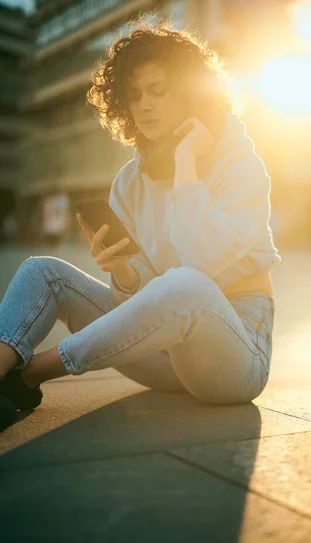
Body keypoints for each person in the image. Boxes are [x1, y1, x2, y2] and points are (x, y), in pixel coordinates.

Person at [0, 14, 281, 431]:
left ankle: (31, 374)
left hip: (235, 357)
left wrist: (185, 162)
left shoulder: (242, 166)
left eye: (158, 91)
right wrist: (123, 271)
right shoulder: (130, 182)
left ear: (188, 93)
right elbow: (148, 295)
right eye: (134, 95)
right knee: (44, 271)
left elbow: (199, 262)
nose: (144, 104)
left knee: (187, 282)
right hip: (166, 356)